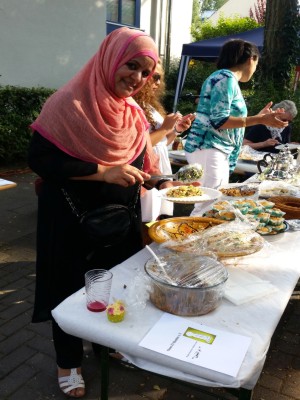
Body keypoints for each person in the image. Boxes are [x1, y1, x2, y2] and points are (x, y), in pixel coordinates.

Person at [27, 27, 197, 398]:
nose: (136, 78)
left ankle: (106, 344)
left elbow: (135, 158)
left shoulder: (131, 112)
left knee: (116, 283)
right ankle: (68, 362)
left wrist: (155, 180)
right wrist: (103, 172)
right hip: (71, 220)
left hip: (118, 218)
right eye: (131, 65)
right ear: (110, 59)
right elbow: (40, 160)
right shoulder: (67, 104)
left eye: (144, 72)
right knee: (70, 291)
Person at [184, 39, 288, 215]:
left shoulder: (225, 78)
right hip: (209, 147)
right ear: (251, 59)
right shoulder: (226, 79)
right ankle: (190, 239)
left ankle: (201, 239)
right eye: (257, 63)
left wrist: (260, 117)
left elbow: (226, 119)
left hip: (213, 148)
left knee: (214, 203)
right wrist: (260, 120)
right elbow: (220, 120)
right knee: (209, 204)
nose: (255, 69)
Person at [134, 59, 195, 219]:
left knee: (162, 215)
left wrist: (175, 130)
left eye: (160, 78)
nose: (158, 82)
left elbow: (161, 144)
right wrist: (165, 128)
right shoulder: (133, 106)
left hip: (160, 166)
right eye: (154, 77)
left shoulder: (150, 106)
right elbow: (140, 146)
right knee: (148, 216)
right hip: (145, 170)